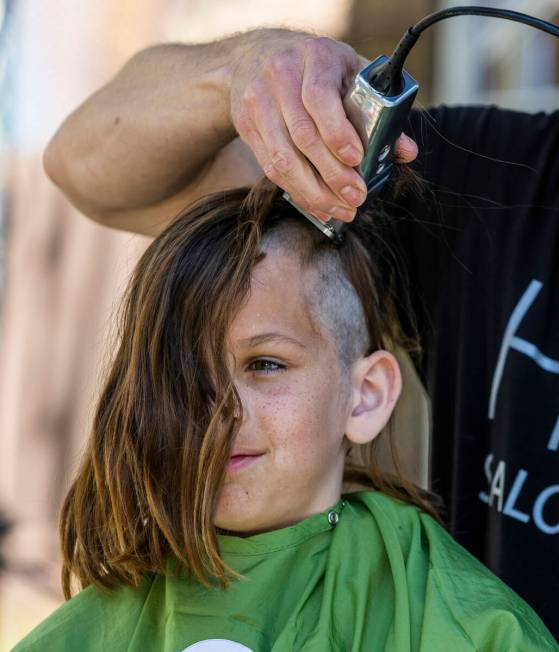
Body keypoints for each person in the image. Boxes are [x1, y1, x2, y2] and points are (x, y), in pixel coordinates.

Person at [43, 30, 559, 636]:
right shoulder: (490, 180)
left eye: (265, 365)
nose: (220, 410)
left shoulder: (475, 627)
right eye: (189, 368)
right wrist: (240, 71)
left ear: (368, 395)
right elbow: (83, 166)